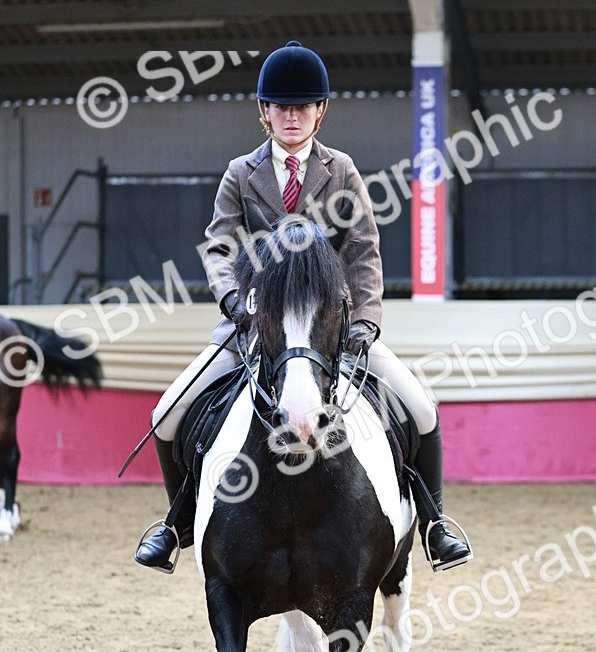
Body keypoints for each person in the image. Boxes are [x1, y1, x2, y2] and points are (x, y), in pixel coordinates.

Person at [134, 39, 473, 574]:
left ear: (320, 111)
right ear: (264, 112)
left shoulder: (341, 171)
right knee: (166, 415)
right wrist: (232, 300)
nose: (291, 117)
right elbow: (220, 246)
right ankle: (177, 525)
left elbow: (363, 249)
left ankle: (434, 525)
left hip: (328, 332)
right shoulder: (240, 174)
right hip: (252, 327)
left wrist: (364, 323)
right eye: (281, 107)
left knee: (422, 408)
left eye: (302, 107)